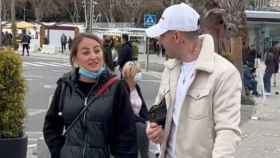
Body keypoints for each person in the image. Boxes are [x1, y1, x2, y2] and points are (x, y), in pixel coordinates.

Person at [145, 3, 241, 158]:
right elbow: (158, 111)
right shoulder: (169, 69)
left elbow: (227, 131)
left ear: (176, 37)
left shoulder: (224, 74)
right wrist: (155, 128)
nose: (159, 41)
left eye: (162, 35)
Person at [43, 33, 138, 158]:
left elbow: (127, 135)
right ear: (75, 59)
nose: (93, 56)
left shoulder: (116, 87)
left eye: (97, 51)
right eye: (86, 52)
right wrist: (59, 152)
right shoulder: (65, 85)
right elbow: (51, 126)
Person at [122, 61, 149, 158]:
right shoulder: (122, 88)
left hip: (137, 124)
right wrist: (144, 123)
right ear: (131, 74)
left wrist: (149, 120)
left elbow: (143, 108)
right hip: (126, 125)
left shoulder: (136, 87)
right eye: (138, 72)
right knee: (142, 128)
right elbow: (127, 113)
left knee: (145, 129)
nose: (140, 74)